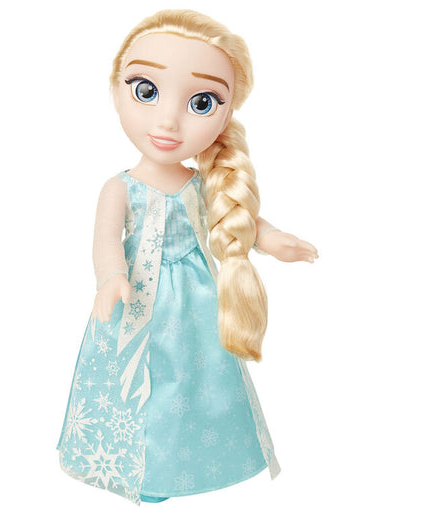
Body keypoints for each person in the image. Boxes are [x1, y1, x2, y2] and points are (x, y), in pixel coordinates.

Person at [56, 9, 318, 506]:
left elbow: (238, 218)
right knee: (139, 388)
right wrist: (110, 277)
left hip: (198, 306)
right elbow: (106, 240)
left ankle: (185, 467)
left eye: (202, 102)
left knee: (194, 388)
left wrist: (272, 239)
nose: (167, 121)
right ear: (116, 89)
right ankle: (138, 468)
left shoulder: (202, 185)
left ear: (226, 114)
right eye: (146, 91)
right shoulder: (120, 187)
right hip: (135, 303)